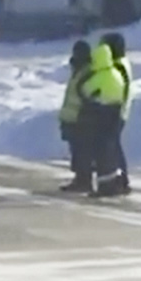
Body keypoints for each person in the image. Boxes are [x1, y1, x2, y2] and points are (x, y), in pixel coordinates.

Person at [82, 39, 130, 197]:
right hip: (115, 114)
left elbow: (85, 90)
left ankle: (104, 186)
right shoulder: (116, 74)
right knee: (112, 151)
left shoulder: (101, 76)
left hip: (101, 115)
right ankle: (116, 182)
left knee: (101, 153)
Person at [58, 41, 93, 193]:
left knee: (82, 152)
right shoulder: (76, 70)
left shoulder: (87, 71)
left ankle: (84, 181)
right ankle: (80, 179)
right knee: (76, 152)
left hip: (81, 118)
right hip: (71, 117)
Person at [101, 33, 133, 193]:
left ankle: (120, 180)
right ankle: (121, 179)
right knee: (114, 146)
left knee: (112, 147)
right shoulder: (121, 63)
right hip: (119, 110)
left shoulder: (118, 66)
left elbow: (121, 88)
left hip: (116, 111)